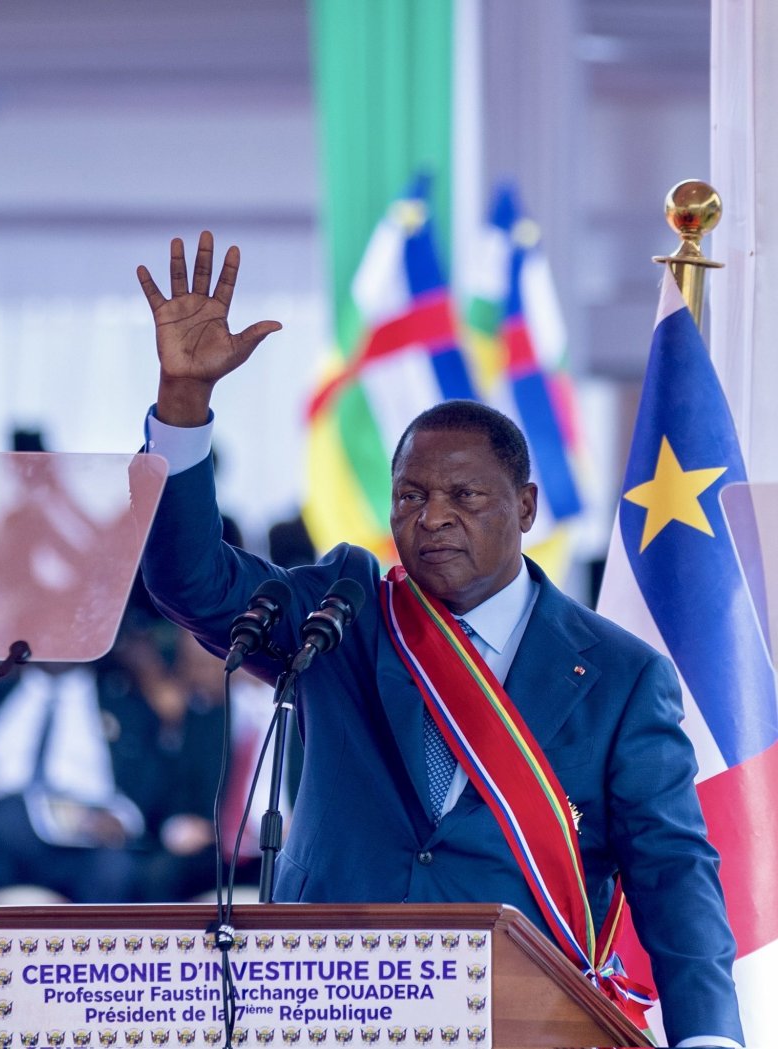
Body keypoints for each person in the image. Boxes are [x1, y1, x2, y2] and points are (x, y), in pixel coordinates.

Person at [135, 232, 743, 1048]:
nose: (433, 518)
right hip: (328, 1010)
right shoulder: (344, 612)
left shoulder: (621, 676)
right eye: (411, 495)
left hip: (525, 1021)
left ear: (526, 506)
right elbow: (191, 581)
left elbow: (673, 871)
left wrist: (708, 1037)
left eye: (465, 495)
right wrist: (182, 403)